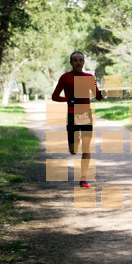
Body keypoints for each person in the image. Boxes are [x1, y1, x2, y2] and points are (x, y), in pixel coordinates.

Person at [51, 51, 103, 188]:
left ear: (83, 62)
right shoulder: (65, 78)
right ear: (71, 62)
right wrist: (67, 99)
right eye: (75, 60)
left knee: (86, 148)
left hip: (86, 115)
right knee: (73, 150)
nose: (78, 62)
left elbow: (97, 96)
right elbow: (54, 96)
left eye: (80, 60)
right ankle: (75, 140)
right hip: (72, 115)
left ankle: (83, 179)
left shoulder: (90, 77)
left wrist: (104, 93)